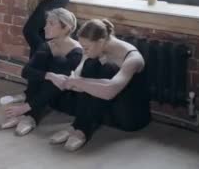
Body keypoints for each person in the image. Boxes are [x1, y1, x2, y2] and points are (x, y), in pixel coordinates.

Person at [49, 19, 151, 151]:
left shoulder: (133, 58)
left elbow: (110, 91)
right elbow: (80, 72)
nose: (84, 51)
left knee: (108, 69)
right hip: (106, 110)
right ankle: (77, 126)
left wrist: (77, 82)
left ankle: (82, 130)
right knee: (91, 64)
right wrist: (72, 81)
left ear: (101, 41)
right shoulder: (97, 48)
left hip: (129, 116)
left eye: (86, 48)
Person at [0, 8, 82, 136]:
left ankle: (31, 115)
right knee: (41, 69)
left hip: (67, 99)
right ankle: (30, 115)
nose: (45, 27)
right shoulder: (47, 45)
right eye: (46, 23)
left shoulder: (77, 52)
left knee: (59, 65)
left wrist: (25, 107)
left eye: (51, 24)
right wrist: (49, 75)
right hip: (46, 97)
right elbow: (26, 72)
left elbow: (60, 85)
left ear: (66, 28)